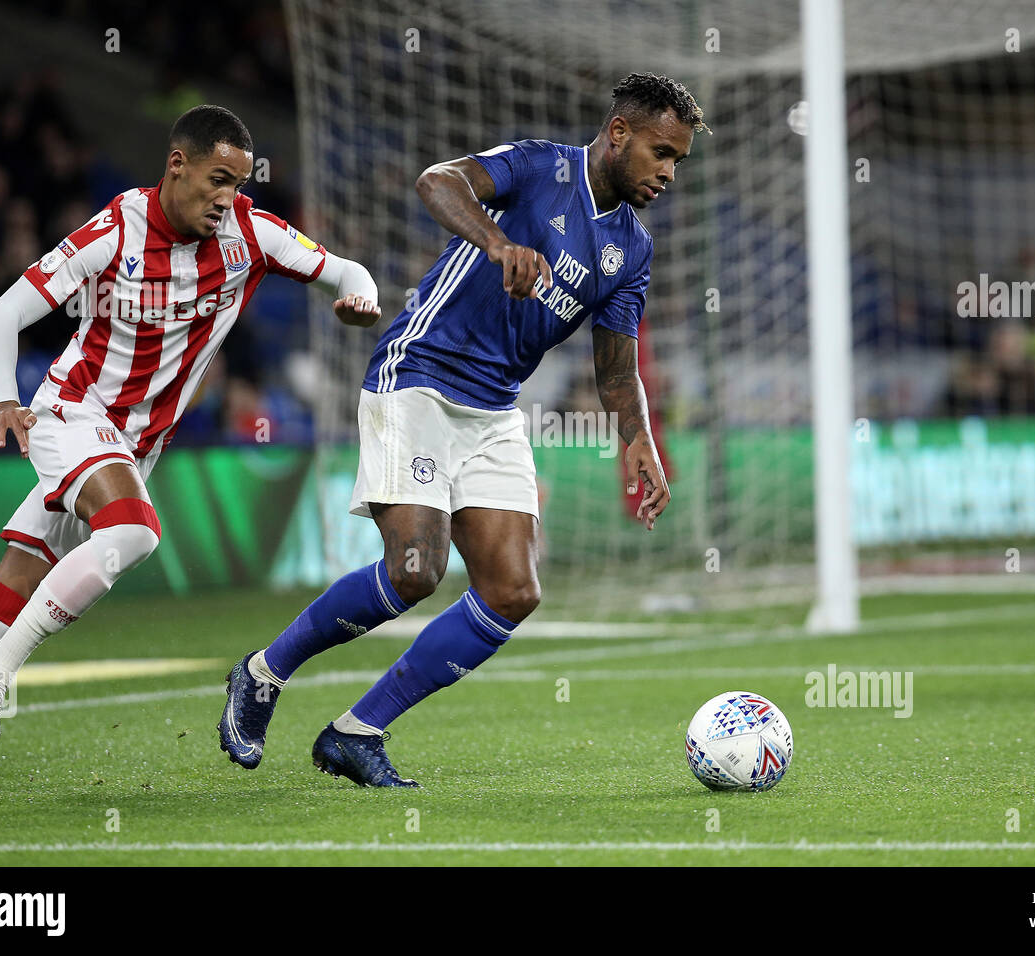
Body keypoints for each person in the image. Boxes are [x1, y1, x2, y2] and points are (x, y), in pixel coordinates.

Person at [219, 73, 706, 786]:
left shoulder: (631, 250)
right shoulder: (541, 167)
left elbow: (613, 368)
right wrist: (495, 241)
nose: (667, 173)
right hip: (418, 376)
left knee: (513, 589)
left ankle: (357, 732)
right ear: (620, 133)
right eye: (661, 152)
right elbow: (436, 182)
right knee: (416, 571)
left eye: (679, 162)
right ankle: (262, 674)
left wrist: (639, 440)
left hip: (493, 408)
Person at [0, 105, 383, 742]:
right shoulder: (114, 232)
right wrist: (3, 401)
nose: (227, 198)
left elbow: (345, 271)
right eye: (218, 179)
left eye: (238, 185)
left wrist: (361, 300)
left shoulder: (251, 235)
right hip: (73, 414)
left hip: (133, 448)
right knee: (135, 533)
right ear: (176, 164)